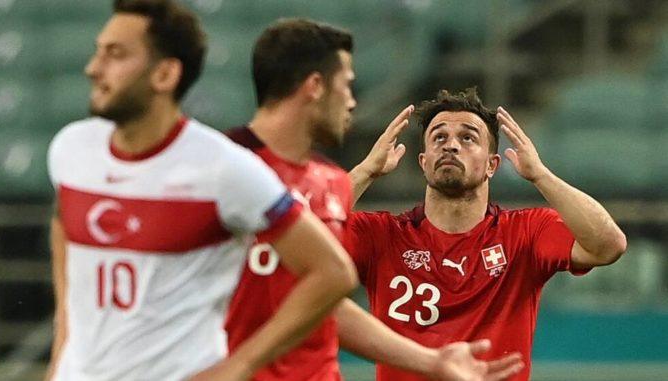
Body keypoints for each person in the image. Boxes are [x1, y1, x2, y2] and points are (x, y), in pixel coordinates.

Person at [45, 2, 358, 381]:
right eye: (99, 52)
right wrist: (64, 350)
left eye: (116, 54)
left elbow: (333, 272)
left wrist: (239, 366)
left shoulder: (225, 168)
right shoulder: (70, 149)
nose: (93, 69)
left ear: (164, 74)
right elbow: (66, 229)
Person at [225, 19, 524, 381]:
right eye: (347, 86)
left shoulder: (329, 181)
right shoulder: (216, 171)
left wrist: (433, 362)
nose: (352, 101)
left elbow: (323, 304)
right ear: (315, 87)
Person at [346, 88, 628, 380]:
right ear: (423, 162)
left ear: (493, 165)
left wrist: (541, 175)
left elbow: (608, 246)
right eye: (439, 137)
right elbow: (298, 238)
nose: (451, 146)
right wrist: (366, 170)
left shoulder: (525, 233)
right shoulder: (380, 235)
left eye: (467, 138)